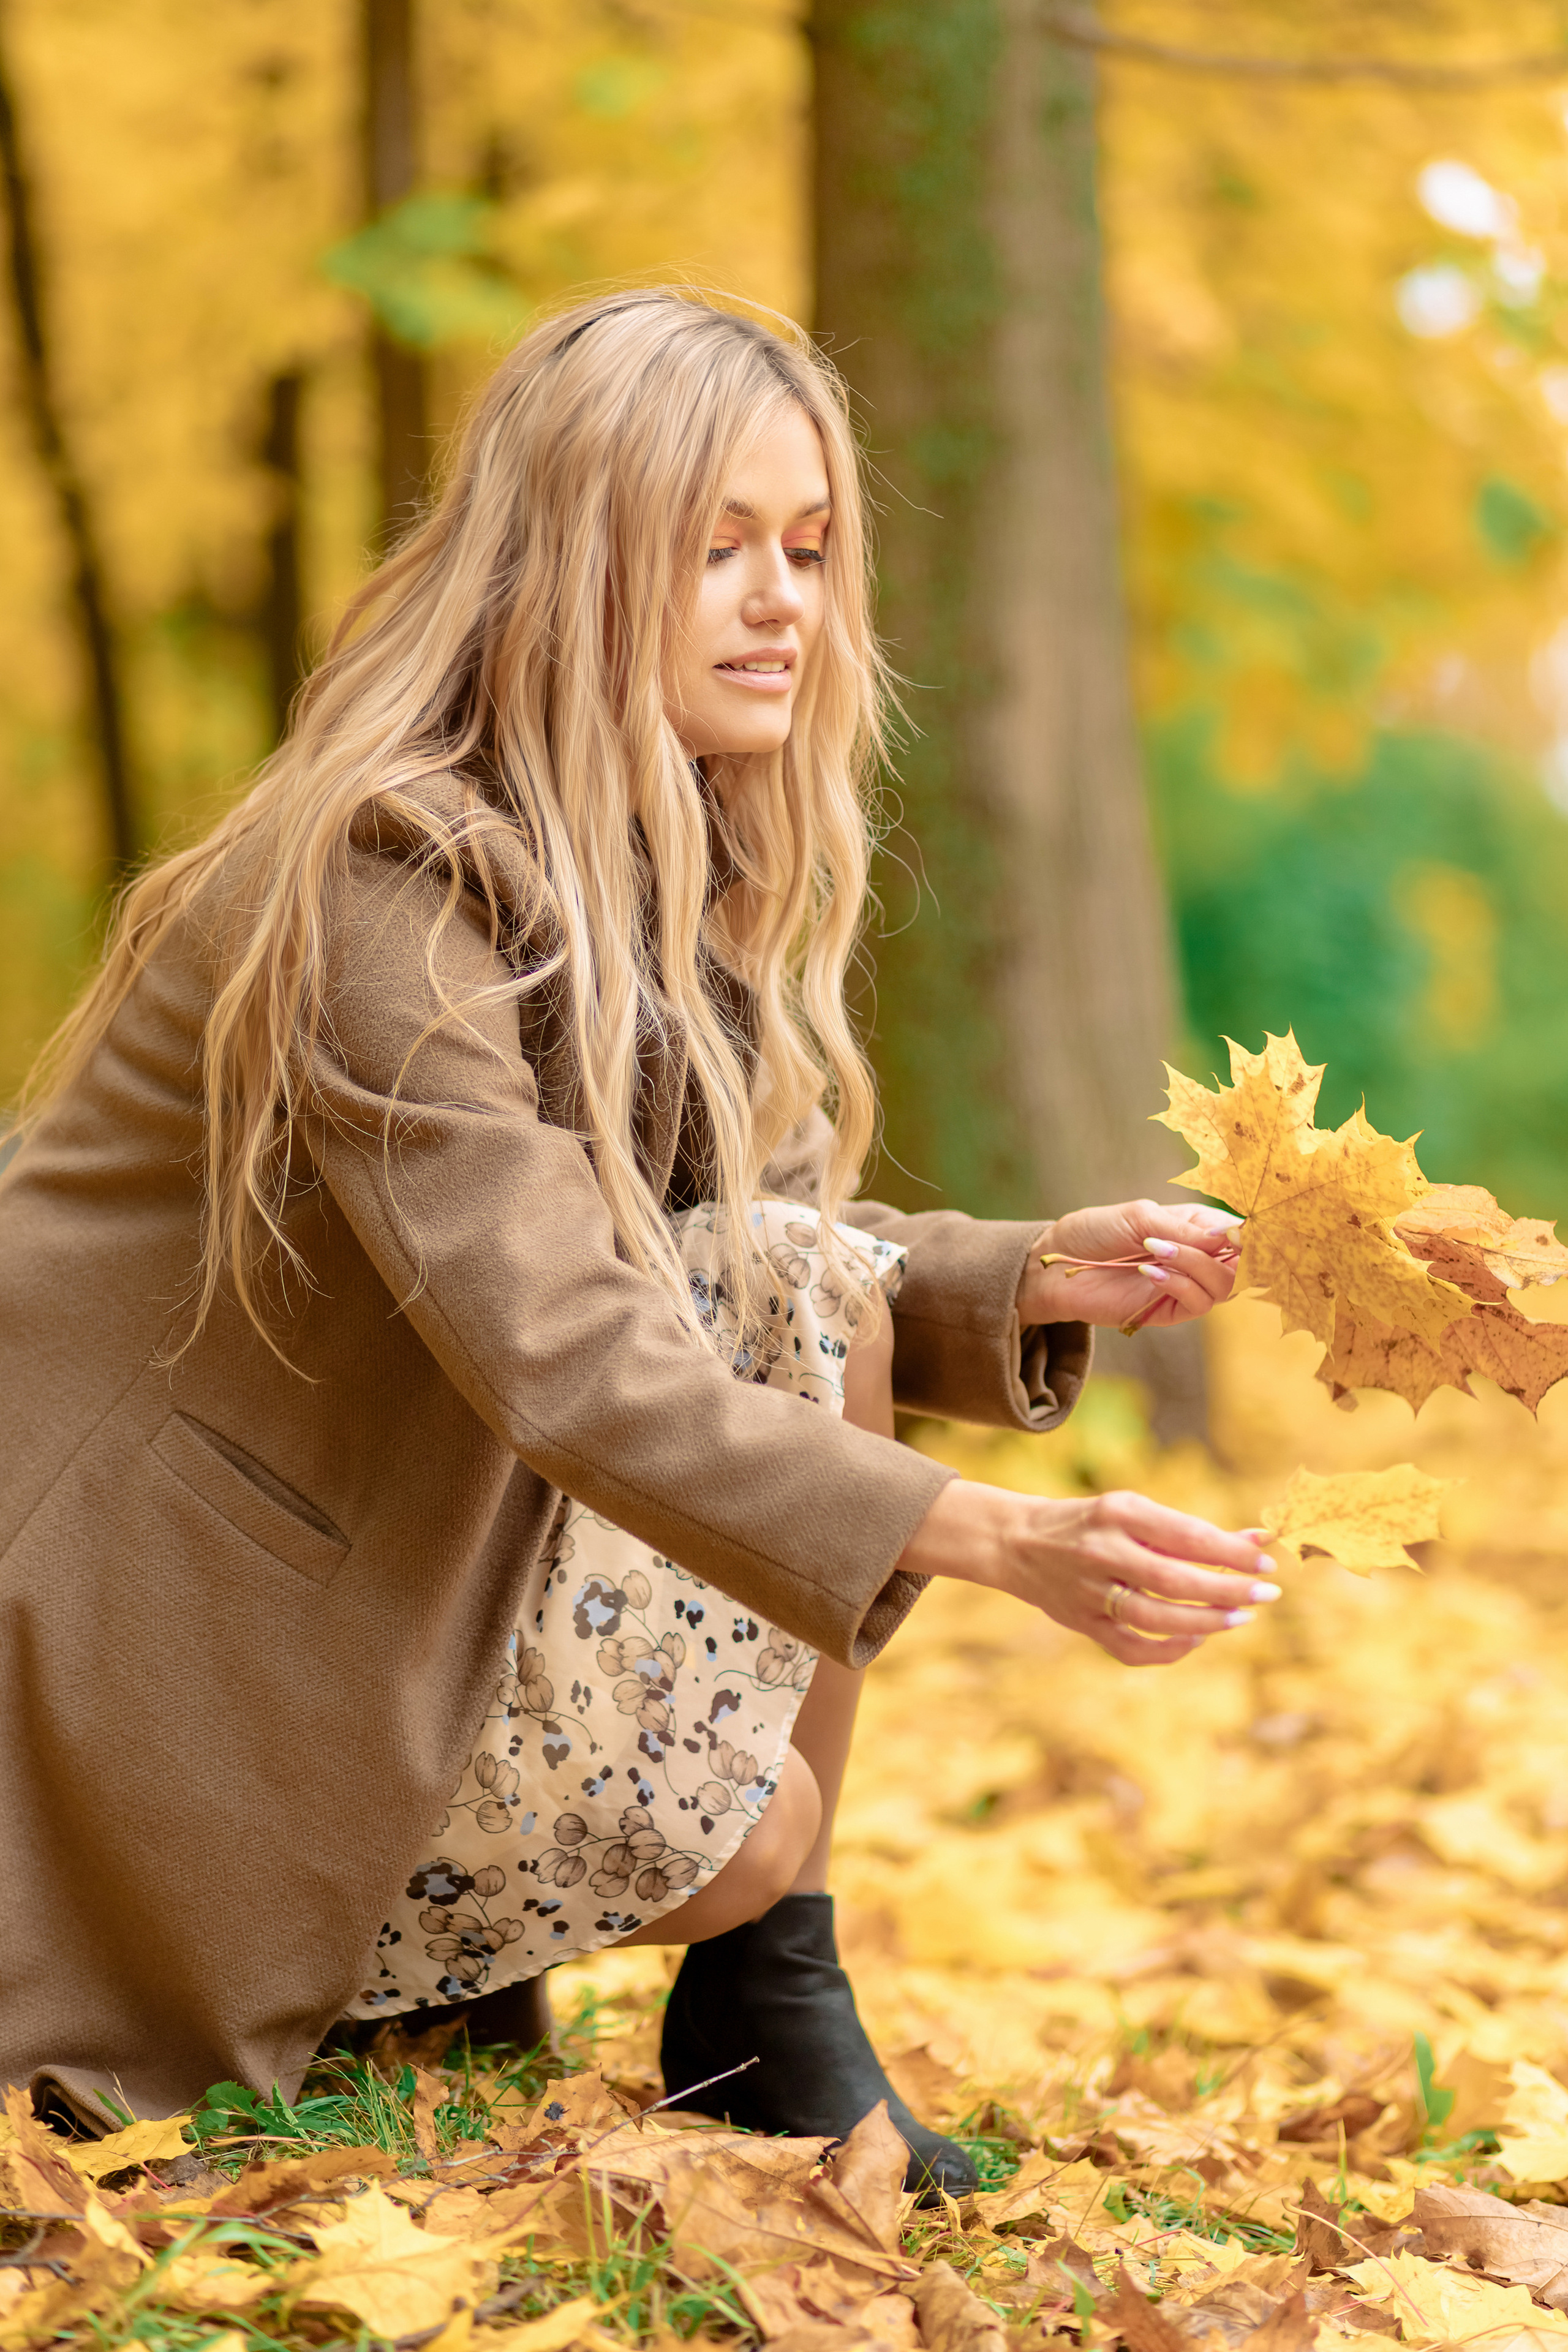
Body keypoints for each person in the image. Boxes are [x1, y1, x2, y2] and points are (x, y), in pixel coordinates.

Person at [0, 291, 1276, 2187]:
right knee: (753, 1827)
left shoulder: (629, 860)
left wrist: (1015, 1275)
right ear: (572, 565)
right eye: (719, 550)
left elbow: (693, 1245)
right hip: (147, 1641)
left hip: (342, 1556)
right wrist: (1014, 1539)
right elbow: (567, 1350)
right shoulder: (383, 867)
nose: (787, 604)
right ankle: (756, 1987)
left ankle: (771, 2013)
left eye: (813, 551)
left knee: (811, 1284)